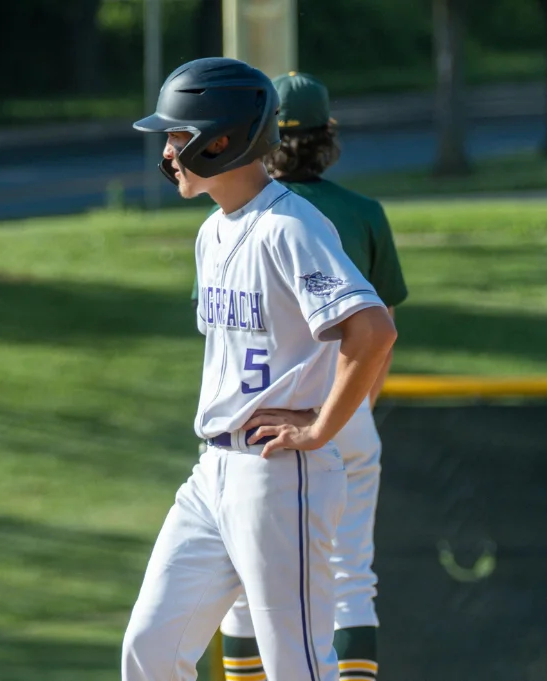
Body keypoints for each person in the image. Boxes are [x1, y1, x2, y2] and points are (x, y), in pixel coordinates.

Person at [122, 57, 398, 681]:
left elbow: (374, 328)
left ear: (222, 141)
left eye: (176, 135)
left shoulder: (289, 226)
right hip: (212, 471)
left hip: (277, 475)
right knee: (150, 648)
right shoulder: (213, 232)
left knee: (294, 667)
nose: (167, 153)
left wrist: (322, 429)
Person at [195, 70, 407, 681]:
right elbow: (381, 334)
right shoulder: (363, 212)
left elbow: (230, 337)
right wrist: (350, 412)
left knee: (242, 588)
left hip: (265, 424)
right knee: (349, 578)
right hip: (348, 413)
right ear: (326, 136)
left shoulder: (243, 215)